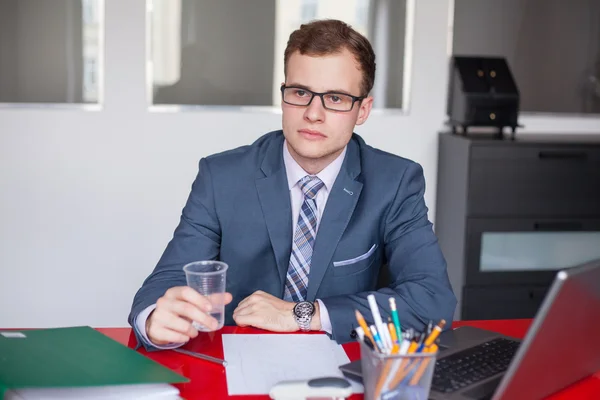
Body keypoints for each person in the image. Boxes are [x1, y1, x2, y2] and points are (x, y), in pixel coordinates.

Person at [128, 19, 456, 350]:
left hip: (344, 365)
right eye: (300, 93)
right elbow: (164, 283)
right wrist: (156, 318)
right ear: (284, 96)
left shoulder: (395, 182)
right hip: (239, 358)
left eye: (336, 98)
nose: (314, 113)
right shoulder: (221, 176)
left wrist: (303, 315)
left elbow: (432, 301)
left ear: (362, 110)